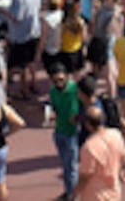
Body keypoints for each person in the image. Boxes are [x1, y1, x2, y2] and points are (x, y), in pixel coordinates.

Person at [76, 105, 125, 201]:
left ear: (88, 124)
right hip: (114, 192)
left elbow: (85, 175)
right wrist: (120, 171)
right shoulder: (116, 135)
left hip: (95, 195)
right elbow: (123, 155)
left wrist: (74, 194)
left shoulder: (89, 147)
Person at [48, 63, 80, 201]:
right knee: (65, 166)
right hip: (59, 131)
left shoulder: (75, 89)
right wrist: (52, 113)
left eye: (61, 80)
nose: (59, 83)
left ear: (67, 76)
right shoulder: (52, 91)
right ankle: (68, 191)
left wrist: (77, 118)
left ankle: (73, 196)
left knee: (72, 168)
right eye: (55, 81)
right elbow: (53, 106)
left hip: (72, 133)